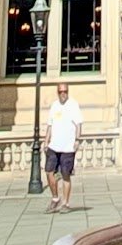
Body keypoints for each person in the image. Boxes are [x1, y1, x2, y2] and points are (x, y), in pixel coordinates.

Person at [44, 82, 84, 212]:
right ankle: (55, 198)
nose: (63, 94)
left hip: (68, 147)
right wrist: (46, 141)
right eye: (60, 92)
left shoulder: (73, 105)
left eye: (65, 91)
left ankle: (66, 203)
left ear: (68, 92)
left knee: (65, 174)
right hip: (54, 145)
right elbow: (50, 125)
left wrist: (77, 140)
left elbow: (78, 124)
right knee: (49, 172)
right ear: (57, 92)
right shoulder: (54, 105)